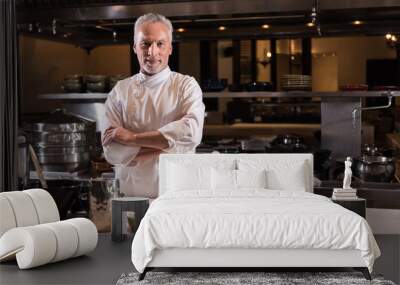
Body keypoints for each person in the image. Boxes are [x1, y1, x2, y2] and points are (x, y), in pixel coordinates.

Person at [101, 13, 205, 198]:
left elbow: (191, 133)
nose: (152, 52)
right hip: (131, 195)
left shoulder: (185, 85)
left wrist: (131, 138)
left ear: (170, 48)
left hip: (177, 193)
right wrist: (168, 146)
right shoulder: (120, 91)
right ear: (135, 47)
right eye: (145, 44)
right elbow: (113, 152)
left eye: (160, 44)